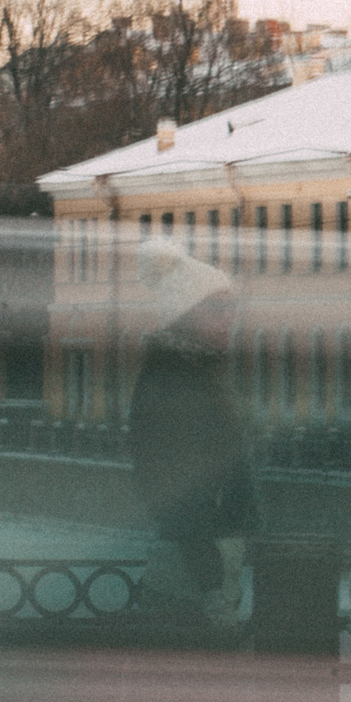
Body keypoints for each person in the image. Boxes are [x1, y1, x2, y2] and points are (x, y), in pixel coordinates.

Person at [129, 241, 259, 618]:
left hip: (211, 565)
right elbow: (167, 482)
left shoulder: (202, 371)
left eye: (232, 305)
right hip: (195, 576)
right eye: (217, 307)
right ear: (185, 315)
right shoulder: (173, 378)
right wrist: (210, 578)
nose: (230, 316)